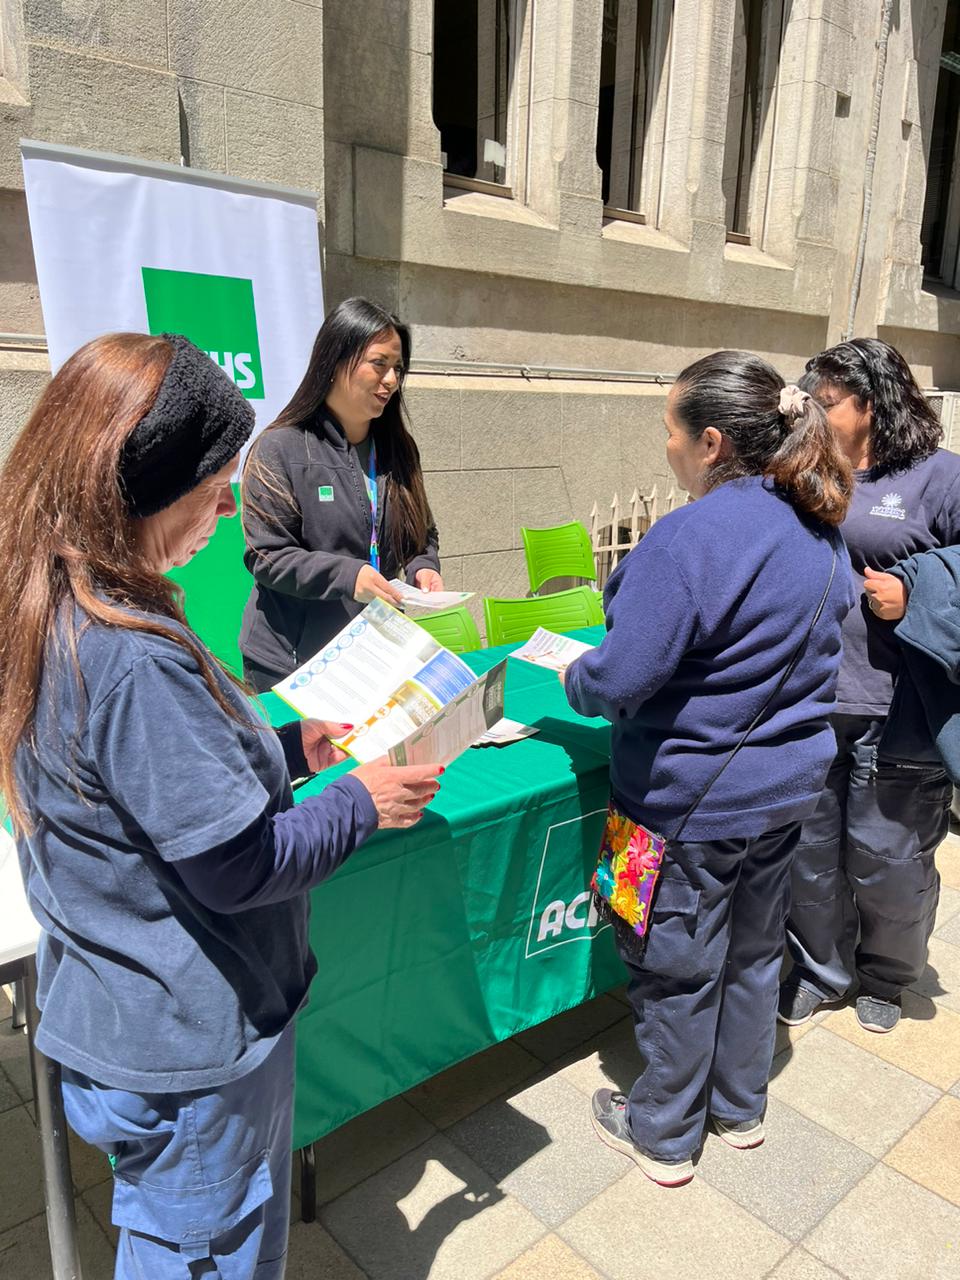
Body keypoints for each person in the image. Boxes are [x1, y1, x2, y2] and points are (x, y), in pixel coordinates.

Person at [0, 332, 442, 1279]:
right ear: (141, 493)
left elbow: (144, 790)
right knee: (206, 1253)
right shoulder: (128, 651)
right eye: (213, 488)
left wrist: (287, 745)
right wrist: (361, 802)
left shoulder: (63, 600)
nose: (230, 505)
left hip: (132, 1014)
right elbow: (237, 864)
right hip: (189, 1049)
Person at [563, 351, 855, 1186]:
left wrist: (574, 676)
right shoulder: (820, 526)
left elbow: (619, 678)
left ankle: (660, 1128)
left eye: (669, 431)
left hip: (680, 801)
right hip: (786, 792)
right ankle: (739, 1107)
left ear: (713, 442)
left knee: (668, 960)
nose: (665, 447)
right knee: (758, 949)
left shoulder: (689, 536)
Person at [780, 338, 960, 1035]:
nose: (819, 417)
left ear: (873, 403)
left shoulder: (938, 479)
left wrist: (917, 595)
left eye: (829, 405)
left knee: (889, 855)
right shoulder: (812, 470)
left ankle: (887, 973)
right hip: (815, 698)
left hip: (902, 710)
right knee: (813, 852)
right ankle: (822, 969)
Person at [239, 297, 443, 692]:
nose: (391, 380)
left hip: (374, 654)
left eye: (397, 369)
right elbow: (268, 557)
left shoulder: (400, 450)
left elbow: (422, 534)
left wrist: (423, 566)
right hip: (293, 664)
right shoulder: (280, 448)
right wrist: (349, 576)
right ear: (335, 360)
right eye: (378, 363)